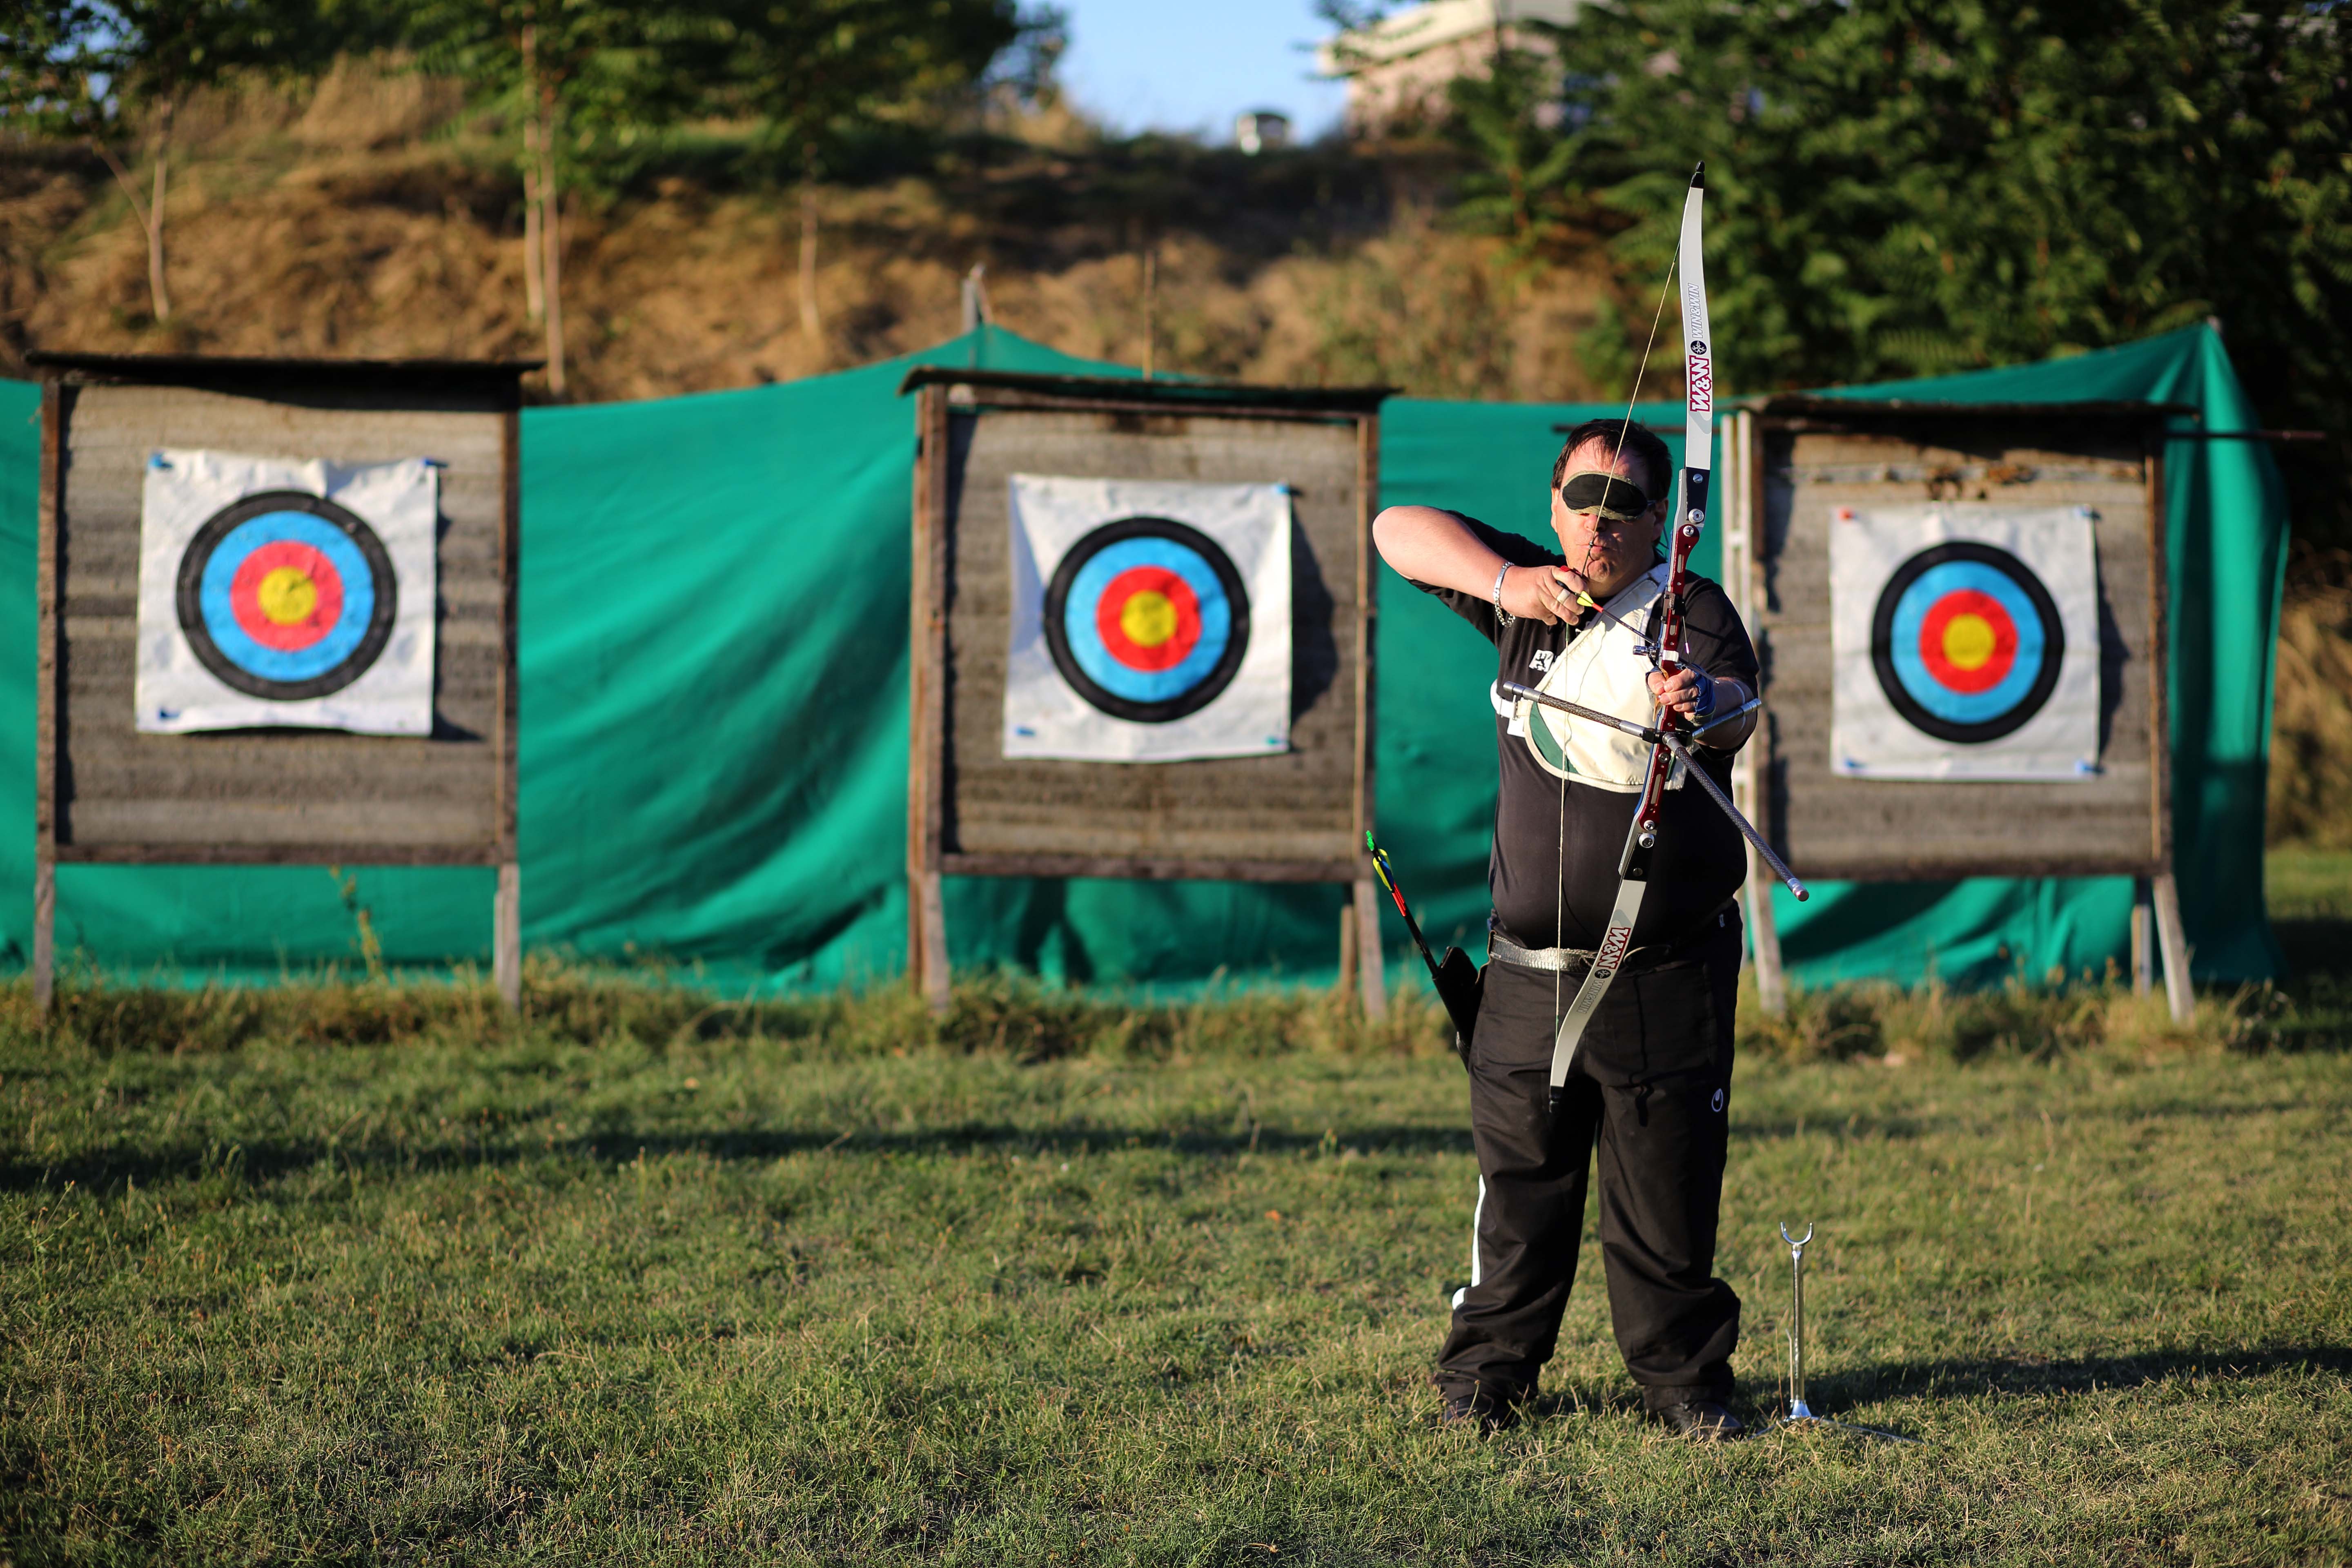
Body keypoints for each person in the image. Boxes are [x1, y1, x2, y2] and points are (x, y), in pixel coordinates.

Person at [1370, 417, 1760, 1440]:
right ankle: (1485, 1384)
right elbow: (1394, 527)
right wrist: (1510, 587)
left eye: (1626, 503)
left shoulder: (1693, 613)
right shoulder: (1529, 595)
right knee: (1519, 1192)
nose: (1600, 522)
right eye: (1583, 499)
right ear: (1555, 508)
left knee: (1665, 1194)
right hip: (1525, 975)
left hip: (1660, 971)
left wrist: (1697, 700)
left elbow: (1736, 708)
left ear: (1664, 521)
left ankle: (1684, 1390)